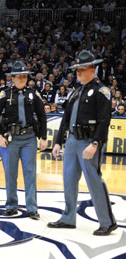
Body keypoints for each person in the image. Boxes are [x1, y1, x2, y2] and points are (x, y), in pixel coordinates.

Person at [48, 50, 117, 236]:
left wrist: (95, 143)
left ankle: (107, 221)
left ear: (92, 69)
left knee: (94, 180)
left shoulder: (102, 91)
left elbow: (104, 120)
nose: (77, 73)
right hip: (71, 141)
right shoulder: (75, 92)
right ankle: (68, 217)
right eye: (76, 70)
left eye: (81, 70)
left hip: (89, 141)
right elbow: (66, 118)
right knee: (68, 180)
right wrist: (57, 142)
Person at [0, 61, 48, 220]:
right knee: (11, 173)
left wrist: (43, 137)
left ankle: (32, 208)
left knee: (30, 173)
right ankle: (11, 205)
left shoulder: (33, 93)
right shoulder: (4, 94)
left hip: (29, 138)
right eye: (19, 76)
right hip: (11, 139)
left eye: (24, 76)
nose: (22, 78)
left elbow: (42, 116)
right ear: (13, 78)